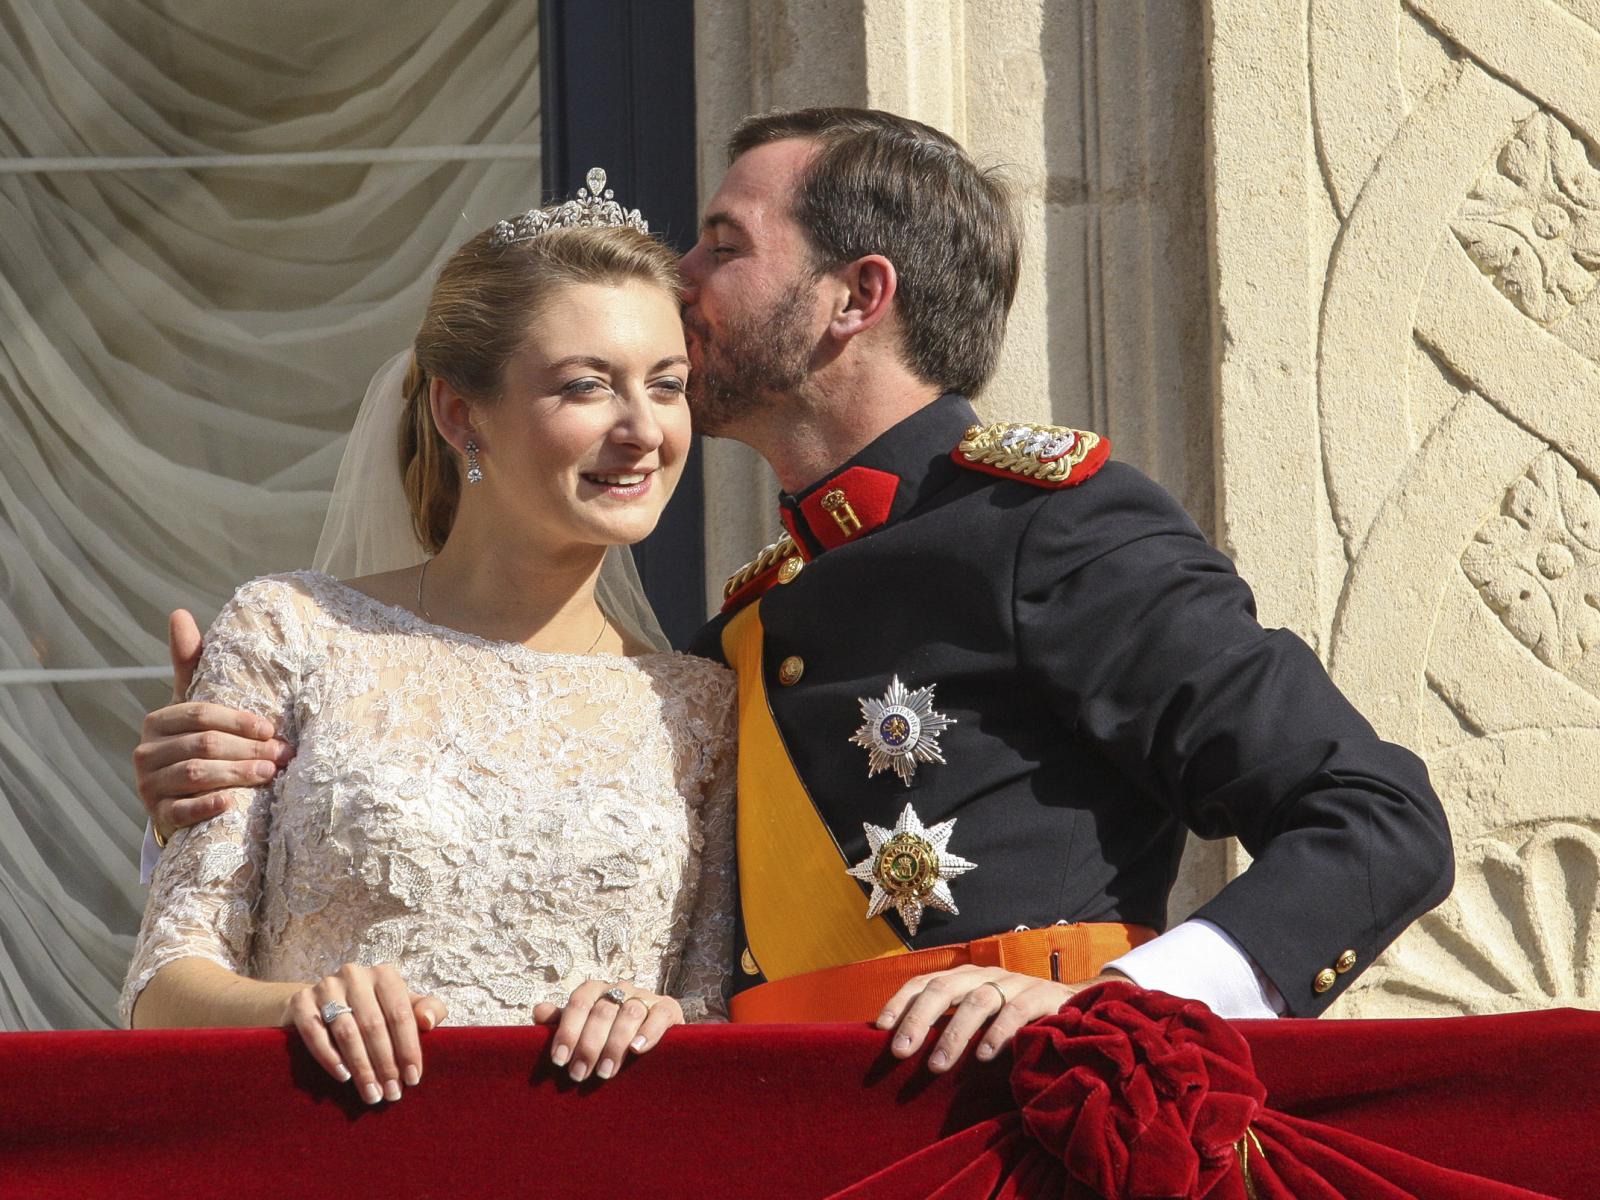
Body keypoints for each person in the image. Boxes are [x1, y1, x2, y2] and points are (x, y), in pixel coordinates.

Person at [133, 109, 1454, 1075]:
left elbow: (1377, 821)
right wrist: (252, 771)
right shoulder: (736, 635)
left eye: (721, 243)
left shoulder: (1050, 529)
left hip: (1006, 1142)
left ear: (853, 297)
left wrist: (1114, 1011)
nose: (681, 281)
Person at [121, 183, 736, 1107]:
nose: (642, 429)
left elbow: (715, 1011)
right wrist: (304, 1007)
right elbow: (163, 987)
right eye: (585, 385)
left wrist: (663, 1021)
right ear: (460, 415)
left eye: (667, 384)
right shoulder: (292, 632)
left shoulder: (703, 704)